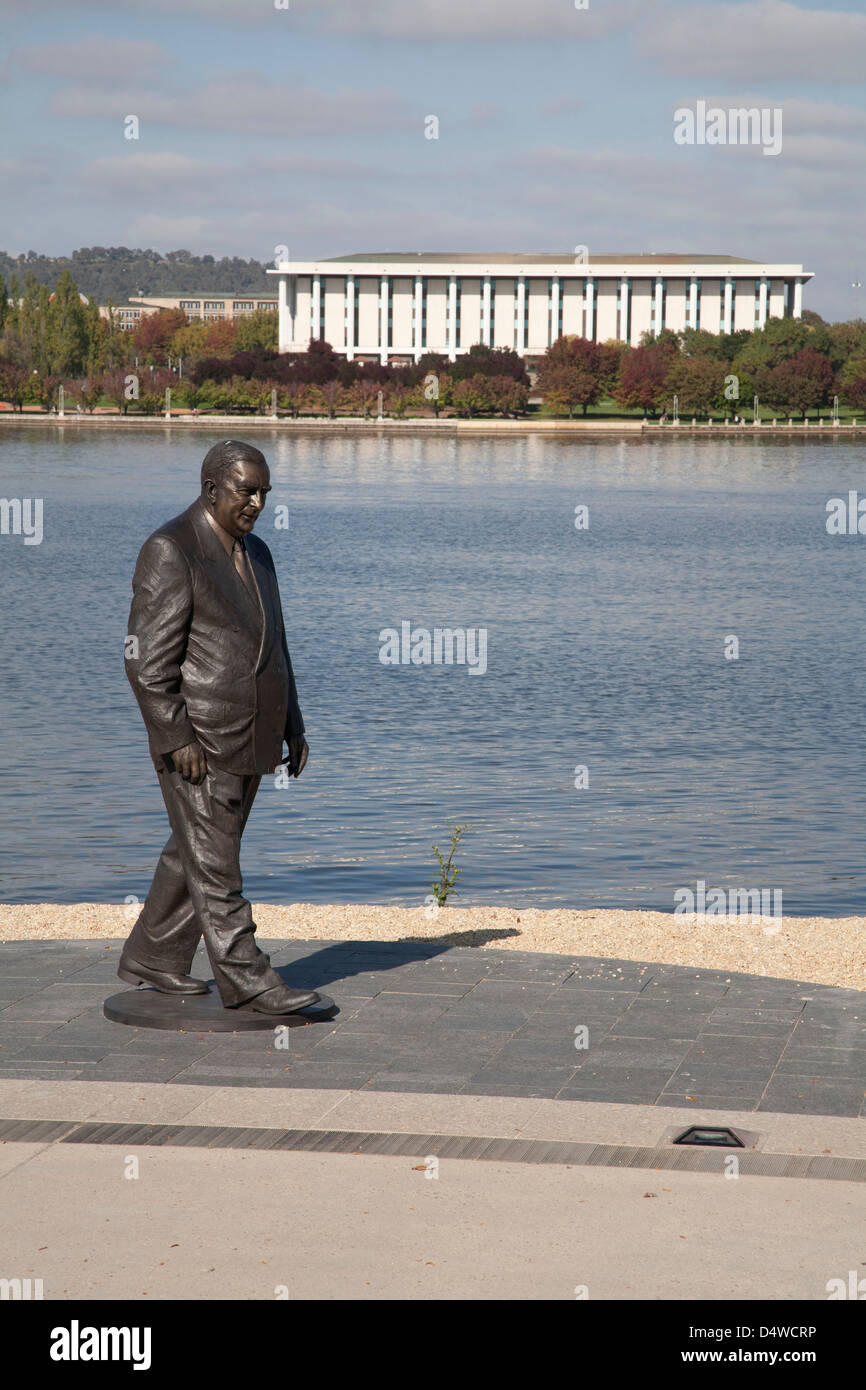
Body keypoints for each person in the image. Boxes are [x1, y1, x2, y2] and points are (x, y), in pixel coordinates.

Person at [121, 439, 320, 1015]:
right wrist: (174, 736)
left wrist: (293, 721)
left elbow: (274, 645)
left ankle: (153, 955)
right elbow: (144, 661)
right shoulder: (170, 550)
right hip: (199, 744)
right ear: (211, 490)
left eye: (264, 492)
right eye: (246, 491)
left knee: (199, 852)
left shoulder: (257, 553)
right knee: (217, 866)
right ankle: (247, 977)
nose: (257, 502)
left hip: (254, 733)